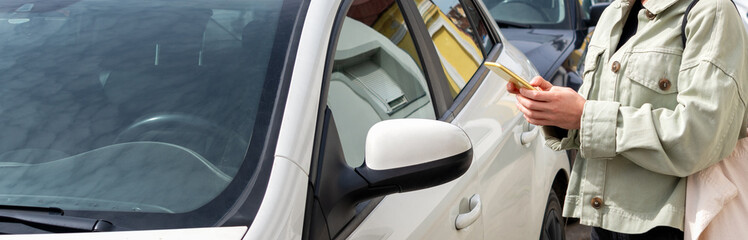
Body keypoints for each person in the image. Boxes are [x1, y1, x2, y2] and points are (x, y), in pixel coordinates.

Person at [506, 0, 748, 239]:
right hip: (604, 221)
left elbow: (700, 136)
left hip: (669, 226)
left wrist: (585, 115)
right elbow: (596, 111)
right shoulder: (614, 12)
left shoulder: (711, 11)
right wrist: (557, 111)